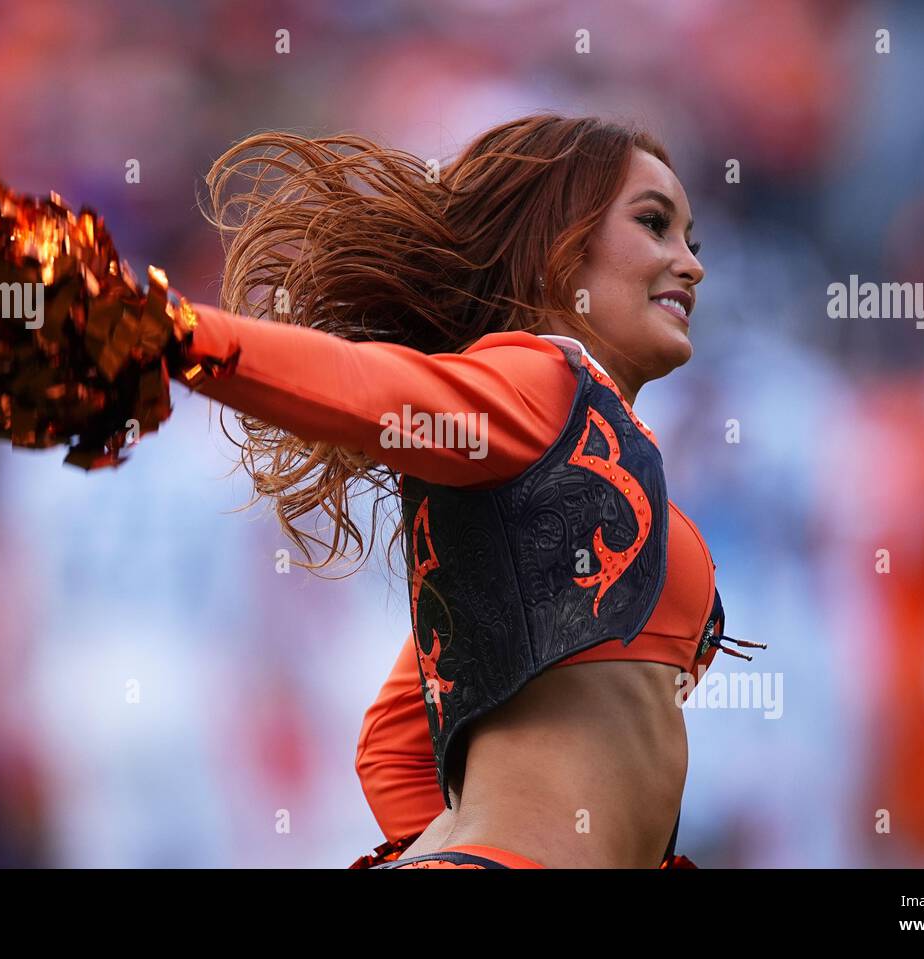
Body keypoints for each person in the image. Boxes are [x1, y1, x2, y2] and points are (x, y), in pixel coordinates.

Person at [169, 113, 763, 868]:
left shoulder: (570, 471)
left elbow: (396, 741)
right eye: (654, 224)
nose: (691, 264)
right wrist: (170, 334)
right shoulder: (543, 381)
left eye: (693, 241)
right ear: (558, 249)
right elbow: (368, 390)